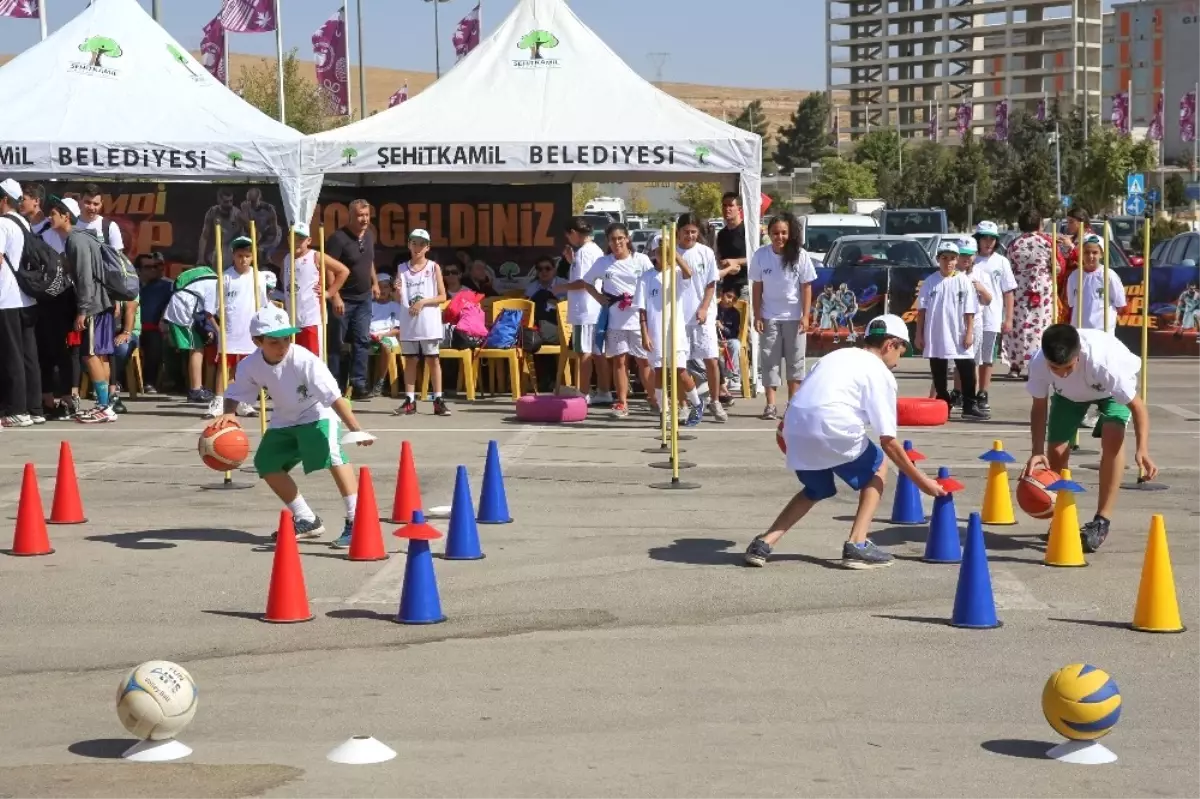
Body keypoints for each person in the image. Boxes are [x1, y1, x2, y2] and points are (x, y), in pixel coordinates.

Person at [743, 314, 946, 569]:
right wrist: (923, 482)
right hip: (831, 426)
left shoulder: (834, 356)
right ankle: (857, 544)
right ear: (890, 345)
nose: (897, 363)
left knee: (817, 490)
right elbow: (889, 442)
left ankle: (764, 543)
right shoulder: (880, 374)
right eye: (901, 353)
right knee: (879, 466)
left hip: (792, 429)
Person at [212, 305, 373, 549]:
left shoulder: (305, 360)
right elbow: (236, 391)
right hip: (285, 419)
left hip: (318, 414)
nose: (282, 346)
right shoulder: (250, 365)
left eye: (286, 339)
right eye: (274, 341)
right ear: (257, 341)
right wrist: (229, 415)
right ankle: (306, 519)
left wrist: (355, 428)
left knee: (333, 456)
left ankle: (356, 519)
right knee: (266, 463)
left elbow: (334, 397)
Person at [1022, 324, 1157, 553]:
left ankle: (1101, 521)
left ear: (1079, 355)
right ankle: (1062, 514)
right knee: (1055, 452)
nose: (1061, 373)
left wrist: (1142, 448)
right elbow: (1039, 406)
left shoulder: (1104, 363)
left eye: (1067, 368)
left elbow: (1138, 407)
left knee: (1113, 436)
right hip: (1069, 397)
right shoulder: (1038, 362)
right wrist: (1036, 451)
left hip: (1109, 393)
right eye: (1055, 368)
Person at [46, 196, 117, 423]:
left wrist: (83, 311)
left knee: (91, 355)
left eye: (53, 214)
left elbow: (86, 278)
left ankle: (104, 406)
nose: (49, 218)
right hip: (101, 302)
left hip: (94, 305)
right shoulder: (81, 238)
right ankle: (106, 404)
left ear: (65, 216)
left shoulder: (76, 240)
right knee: (99, 355)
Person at [577, 223, 654, 419]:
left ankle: (655, 398)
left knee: (643, 361)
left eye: (620, 238)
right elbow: (587, 282)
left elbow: (653, 281)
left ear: (627, 238)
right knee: (620, 361)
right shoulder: (604, 262)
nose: (617, 242)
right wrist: (600, 298)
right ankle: (622, 401)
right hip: (615, 319)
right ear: (608, 242)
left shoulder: (642, 260)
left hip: (638, 319)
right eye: (613, 239)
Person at [750, 212, 817, 421]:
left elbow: (807, 287)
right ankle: (771, 405)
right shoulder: (761, 255)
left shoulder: (800, 255)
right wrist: (757, 315)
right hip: (769, 316)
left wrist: (806, 316)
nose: (780, 237)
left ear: (790, 233)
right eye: (775, 233)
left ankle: (792, 404)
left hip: (794, 317)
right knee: (769, 360)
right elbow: (757, 287)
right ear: (769, 234)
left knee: (795, 362)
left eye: (784, 233)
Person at [917, 240, 987, 420]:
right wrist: (919, 333)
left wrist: (969, 332)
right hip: (936, 331)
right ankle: (943, 402)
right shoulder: (930, 282)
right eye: (944, 258)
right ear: (938, 259)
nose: (948, 262)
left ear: (957, 260)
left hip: (958, 331)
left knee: (967, 366)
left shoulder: (963, 281)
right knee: (938, 367)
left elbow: (970, 310)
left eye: (952, 258)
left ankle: (969, 404)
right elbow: (922, 310)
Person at [207, 236, 269, 418]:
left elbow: (264, 304)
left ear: (253, 257)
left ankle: (244, 402)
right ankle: (219, 400)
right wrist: (219, 329)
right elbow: (214, 308)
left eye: (247, 256)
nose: (243, 260)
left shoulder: (258, 277)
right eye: (240, 255)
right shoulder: (225, 277)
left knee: (248, 368)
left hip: (250, 331)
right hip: (231, 330)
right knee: (224, 367)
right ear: (233, 255)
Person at [636, 234, 695, 422]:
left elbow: (689, 273)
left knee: (679, 370)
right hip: (656, 331)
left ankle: (696, 403)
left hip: (674, 331)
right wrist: (645, 334)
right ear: (654, 253)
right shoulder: (646, 278)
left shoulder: (676, 273)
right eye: (660, 252)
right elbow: (642, 309)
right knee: (660, 371)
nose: (663, 256)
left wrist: (675, 253)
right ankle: (664, 409)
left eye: (666, 252)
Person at [391, 228, 450, 417]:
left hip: (428, 321)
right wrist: (397, 291)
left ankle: (438, 399)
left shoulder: (433, 267)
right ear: (408, 244)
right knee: (410, 360)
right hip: (409, 321)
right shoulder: (402, 268)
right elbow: (399, 298)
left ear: (428, 247)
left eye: (421, 244)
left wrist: (422, 302)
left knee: (433, 359)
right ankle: (410, 399)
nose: (417, 247)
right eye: (414, 243)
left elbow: (442, 296)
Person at [324, 199, 378, 399]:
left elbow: (369, 260)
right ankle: (335, 386)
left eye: (366, 215)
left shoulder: (369, 235)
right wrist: (335, 295)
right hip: (344, 298)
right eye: (360, 216)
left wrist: (375, 282)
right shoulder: (338, 239)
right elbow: (329, 267)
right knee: (336, 344)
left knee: (362, 340)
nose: (364, 219)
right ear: (350, 216)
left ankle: (358, 384)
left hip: (364, 298)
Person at [675, 213, 727, 422]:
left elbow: (711, 284)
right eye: (686, 232)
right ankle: (683, 404)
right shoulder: (671, 253)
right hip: (679, 315)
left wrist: (704, 308)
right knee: (680, 364)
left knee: (711, 359)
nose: (690, 236)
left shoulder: (705, 253)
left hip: (702, 314)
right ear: (678, 232)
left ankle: (714, 401)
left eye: (693, 232)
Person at [274, 223, 349, 360]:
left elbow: (343, 271)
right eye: (294, 238)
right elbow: (284, 280)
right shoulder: (286, 259)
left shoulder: (316, 256)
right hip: (292, 320)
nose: (297, 242)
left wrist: (329, 293)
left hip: (311, 319)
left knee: (313, 360)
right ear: (288, 239)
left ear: (309, 241)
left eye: (301, 239)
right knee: (294, 360)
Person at [0, 177, 40, 428]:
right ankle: (33, 408)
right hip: (26, 297)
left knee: (11, 355)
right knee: (28, 355)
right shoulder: (23, 222)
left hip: (6, 297)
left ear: (4, 200)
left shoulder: (3, 223)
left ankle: (16, 409)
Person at [1004, 208, 1063, 378]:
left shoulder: (1013, 244)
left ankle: (1015, 365)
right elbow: (1057, 267)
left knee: (1019, 326)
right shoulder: (1047, 243)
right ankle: (1035, 366)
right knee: (1040, 327)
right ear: (1039, 224)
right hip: (1042, 289)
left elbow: (1009, 268)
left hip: (1019, 289)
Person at [562, 216, 612, 405]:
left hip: (584, 309)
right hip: (593, 308)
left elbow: (582, 282)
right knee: (597, 353)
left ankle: (583, 393)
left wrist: (560, 288)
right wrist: (570, 262)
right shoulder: (592, 250)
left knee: (585, 352)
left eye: (568, 236)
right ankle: (604, 391)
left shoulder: (584, 252)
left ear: (574, 233)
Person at [972, 221, 1016, 411]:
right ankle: (967, 392)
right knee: (969, 358)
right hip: (971, 317)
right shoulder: (970, 259)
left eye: (992, 238)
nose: (988, 242)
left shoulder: (1001, 262)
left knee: (987, 357)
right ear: (978, 239)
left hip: (992, 317)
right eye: (984, 238)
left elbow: (1008, 292)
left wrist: (1008, 318)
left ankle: (983, 392)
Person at [162, 265, 218, 404]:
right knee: (196, 348)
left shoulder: (212, 281)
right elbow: (209, 313)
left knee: (196, 347)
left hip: (185, 309)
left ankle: (195, 387)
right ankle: (196, 390)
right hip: (185, 311)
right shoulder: (215, 286)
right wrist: (218, 330)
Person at [1066, 233, 1126, 334]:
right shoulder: (1074, 276)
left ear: (1101, 254)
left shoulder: (1109, 275)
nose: (1090, 256)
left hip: (1103, 331)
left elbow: (1120, 304)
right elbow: (1071, 303)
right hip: (1081, 331)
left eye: (1095, 252)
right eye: (1086, 252)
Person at [134, 253, 173, 394]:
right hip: (130, 329)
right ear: (138, 270)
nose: (153, 270)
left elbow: (173, 306)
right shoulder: (130, 285)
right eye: (148, 267)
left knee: (154, 342)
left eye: (156, 266)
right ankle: (118, 381)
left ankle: (149, 382)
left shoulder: (167, 286)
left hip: (153, 328)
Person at [198, 188, 245, 268]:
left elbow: (251, 231)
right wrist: (200, 258)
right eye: (226, 202)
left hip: (232, 247)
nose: (229, 204)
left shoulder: (237, 214)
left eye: (231, 201)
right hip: (217, 248)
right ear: (219, 200)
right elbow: (205, 236)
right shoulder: (212, 212)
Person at [716, 192, 748, 298]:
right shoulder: (721, 234)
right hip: (727, 287)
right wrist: (723, 264)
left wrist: (737, 261)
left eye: (731, 205)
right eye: (724, 205)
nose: (727, 209)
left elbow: (759, 258)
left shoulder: (748, 231)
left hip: (745, 286)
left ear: (739, 209)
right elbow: (720, 258)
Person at [239, 188, 281, 268]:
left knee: (262, 253)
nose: (251, 204)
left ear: (259, 199)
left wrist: (262, 245)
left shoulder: (269, 209)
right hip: (255, 233)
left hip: (270, 235)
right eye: (249, 201)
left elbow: (274, 230)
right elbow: (245, 224)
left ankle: (266, 265)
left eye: (253, 201)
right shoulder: (245, 206)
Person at [77, 184, 125, 251]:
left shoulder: (110, 226)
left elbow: (117, 257)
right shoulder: (70, 225)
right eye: (87, 202)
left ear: (101, 204)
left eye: (96, 204)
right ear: (80, 201)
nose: (91, 207)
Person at [716, 288, 743, 393]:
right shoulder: (713, 309)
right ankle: (720, 377)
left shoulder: (735, 313)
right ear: (722, 295)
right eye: (728, 296)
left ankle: (733, 377)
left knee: (735, 344)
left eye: (734, 299)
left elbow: (734, 333)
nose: (730, 300)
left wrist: (722, 328)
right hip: (714, 339)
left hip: (729, 339)